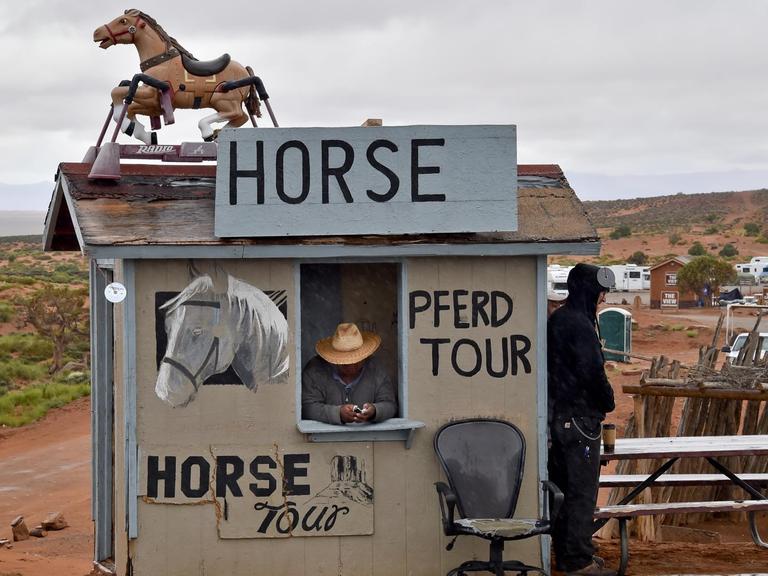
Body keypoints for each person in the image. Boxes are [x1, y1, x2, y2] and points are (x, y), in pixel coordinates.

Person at [548, 263, 617, 576]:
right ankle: (578, 561)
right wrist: (608, 400)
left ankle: (567, 554)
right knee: (581, 493)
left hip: (559, 419)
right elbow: (592, 371)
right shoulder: (581, 324)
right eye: (600, 291)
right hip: (580, 420)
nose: (602, 297)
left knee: (563, 490)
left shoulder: (559, 319)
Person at [302, 322, 397, 425]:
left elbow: (390, 405)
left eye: (357, 361)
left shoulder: (376, 368)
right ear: (332, 358)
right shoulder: (315, 370)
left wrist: (375, 411)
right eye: (345, 363)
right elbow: (307, 408)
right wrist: (337, 413)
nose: (351, 367)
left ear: (365, 356)